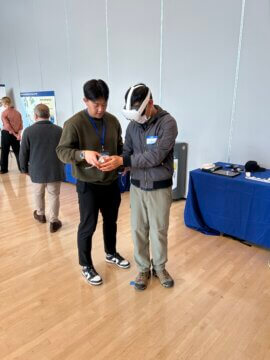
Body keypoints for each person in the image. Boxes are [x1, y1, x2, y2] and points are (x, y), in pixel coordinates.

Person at [100, 83, 178, 291]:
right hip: (137, 188)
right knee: (138, 231)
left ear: (150, 104)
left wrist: (125, 162)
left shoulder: (167, 123)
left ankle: (160, 268)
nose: (137, 120)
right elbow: (127, 151)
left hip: (159, 188)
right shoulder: (133, 126)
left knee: (159, 230)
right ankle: (143, 268)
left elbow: (156, 156)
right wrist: (117, 163)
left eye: (140, 114)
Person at [56, 79, 130, 286]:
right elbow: (61, 151)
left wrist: (120, 161)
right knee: (88, 226)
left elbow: (120, 146)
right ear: (85, 100)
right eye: (95, 104)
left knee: (111, 222)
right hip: (88, 184)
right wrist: (82, 154)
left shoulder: (113, 121)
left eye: (104, 104)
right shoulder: (74, 123)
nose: (100, 109)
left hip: (111, 182)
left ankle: (111, 252)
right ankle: (85, 265)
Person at [19, 104, 64, 233]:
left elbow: (23, 153)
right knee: (54, 195)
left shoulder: (28, 131)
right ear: (48, 115)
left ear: (35, 116)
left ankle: (40, 214)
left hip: (37, 169)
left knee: (38, 193)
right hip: (55, 169)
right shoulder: (59, 130)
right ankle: (54, 221)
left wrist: (23, 169)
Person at [0, 96, 23, 174]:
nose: (2, 104)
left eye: (2, 103)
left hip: (7, 133)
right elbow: (21, 125)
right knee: (17, 151)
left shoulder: (4, 113)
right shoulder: (18, 112)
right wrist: (18, 135)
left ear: (5, 103)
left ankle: (4, 169)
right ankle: (22, 168)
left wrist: (14, 134)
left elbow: (7, 126)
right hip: (16, 133)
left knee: (5, 151)